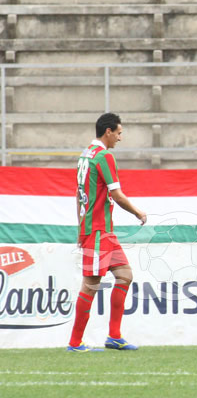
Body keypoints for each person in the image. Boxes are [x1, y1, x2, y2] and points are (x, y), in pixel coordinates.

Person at [67, 112, 147, 352]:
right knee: (90, 285)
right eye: (119, 133)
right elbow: (117, 195)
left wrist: (81, 225)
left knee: (125, 275)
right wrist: (138, 213)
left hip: (101, 230)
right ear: (108, 131)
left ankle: (114, 336)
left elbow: (80, 196)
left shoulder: (85, 155)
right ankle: (75, 342)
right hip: (98, 231)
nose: (120, 138)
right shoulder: (104, 156)